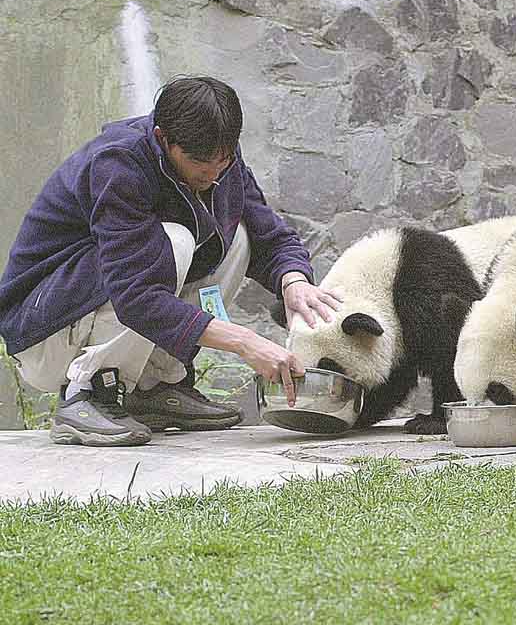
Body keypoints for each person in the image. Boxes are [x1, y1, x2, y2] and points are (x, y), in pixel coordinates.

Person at [0, 76, 342, 446]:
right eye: (199, 162)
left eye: (223, 161)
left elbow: (267, 234)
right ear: (163, 138)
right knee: (174, 242)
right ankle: (88, 392)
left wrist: (295, 282)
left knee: (237, 236)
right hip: (47, 334)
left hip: (104, 304)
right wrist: (246, 342)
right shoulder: (117, 164)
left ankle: (157, 385)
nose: (212, 175)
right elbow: (136, 297)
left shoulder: (219, 161)